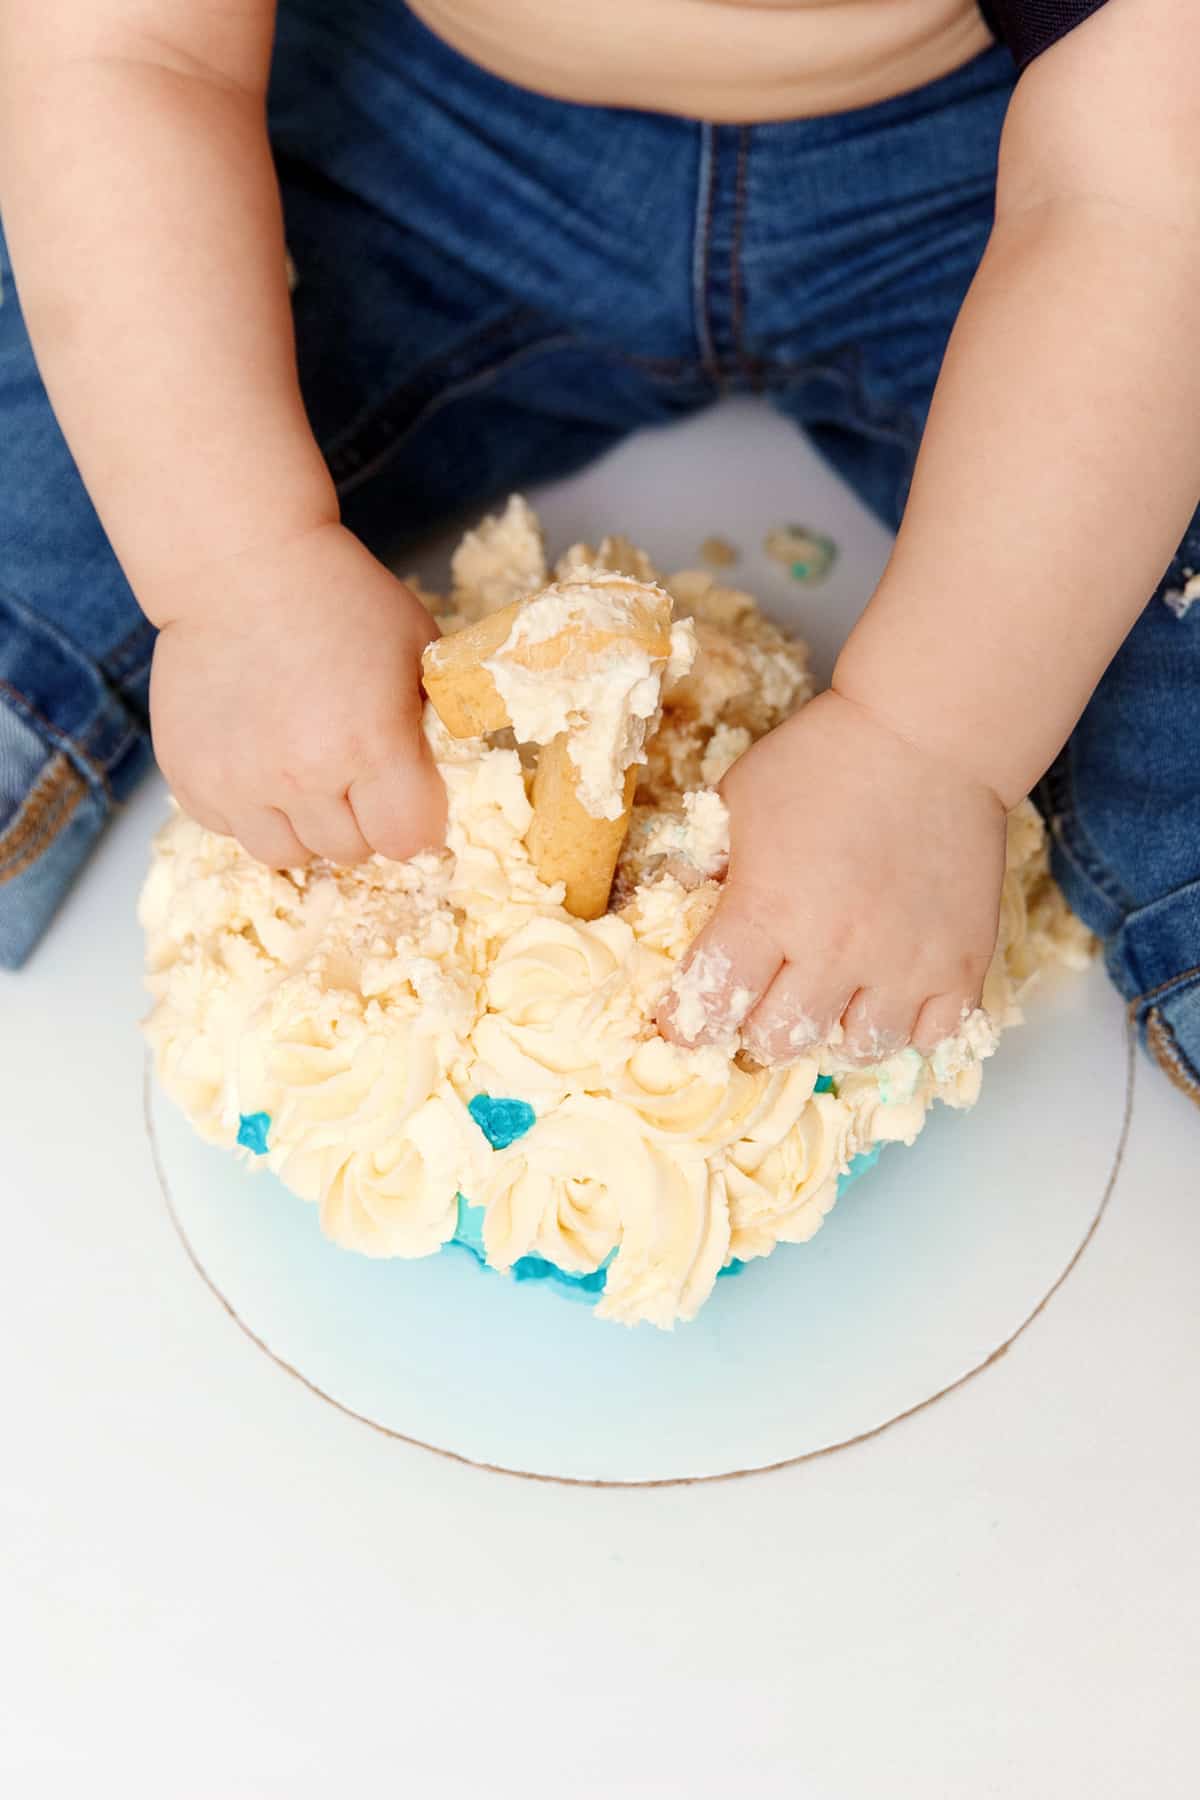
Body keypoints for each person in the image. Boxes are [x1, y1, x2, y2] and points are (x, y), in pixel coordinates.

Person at [1, 0, 1197, 1108]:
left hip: (1021, 177)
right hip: (417, 122)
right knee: (98, 387)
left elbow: (1144, 201)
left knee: (1132, 551)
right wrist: (235, 567)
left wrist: (937, 739)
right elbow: (126, 55)